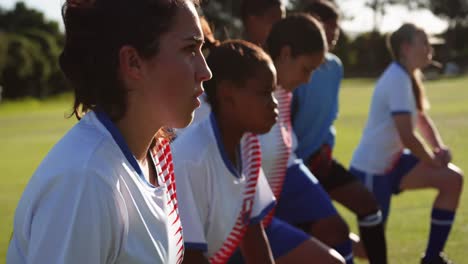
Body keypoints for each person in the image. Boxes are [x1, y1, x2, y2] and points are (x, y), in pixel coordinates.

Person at [6, 0, 212, 263]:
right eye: (190, 48)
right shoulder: (86, 180)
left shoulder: (151, 153)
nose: (205, 71)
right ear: (133, 62)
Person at [173, 39, 343, 264]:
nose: (274, 104)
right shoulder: (191, 158)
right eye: (264, 93)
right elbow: (189, 256)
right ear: (227, 94)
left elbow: (253, 233)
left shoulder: (247, 147)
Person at [349, 23, 463, 264]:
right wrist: (431, 160)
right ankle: (321, 236)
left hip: (394, 164)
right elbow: (407, 136)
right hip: (372, 171)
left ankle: (433, 258)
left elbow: (421, 119)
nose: (429, 48)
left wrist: (438, 148)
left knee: (452, 179)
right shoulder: (396, 79)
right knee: (371, 251)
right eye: (424, 42)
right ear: (406, 47)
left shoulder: (408, 76)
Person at [291, 1, 388, 263]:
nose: (335, 33)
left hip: (320, 158)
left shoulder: (335, 67)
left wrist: (325, 147)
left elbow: (328, 116)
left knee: (367, 204)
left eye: (337, 27)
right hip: (292, 166)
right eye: (328, 27)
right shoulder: (292, 67)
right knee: (331, 231)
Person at [255, 12, 354, 264]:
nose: (308, 79)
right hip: (241, 211)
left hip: (285, 174)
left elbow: (283, 148)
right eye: (306, 69)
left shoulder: (283, 91)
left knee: (336, 230)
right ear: (286, 54)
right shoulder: (243, 92)